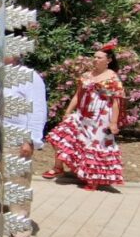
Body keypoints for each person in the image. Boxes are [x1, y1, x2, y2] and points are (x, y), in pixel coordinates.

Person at [43, 40, 126, 190]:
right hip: (82, 115)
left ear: (108, 60)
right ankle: (58, 167)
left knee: (95, 148)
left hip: (101, 119)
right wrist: (68, 112)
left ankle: (91, 179)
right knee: (60, 135)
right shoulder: (87, 75)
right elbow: (77, 95)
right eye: (94, 57)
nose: (95, 59)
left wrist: (113, 122)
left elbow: (116, 102)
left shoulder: (112, 78)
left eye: (99, 57)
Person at [3, 53, 46, 237]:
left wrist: (31, 140)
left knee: (17, 183)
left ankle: (19, 231)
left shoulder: (29, 76)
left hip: (16, 137)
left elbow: (37, 110)